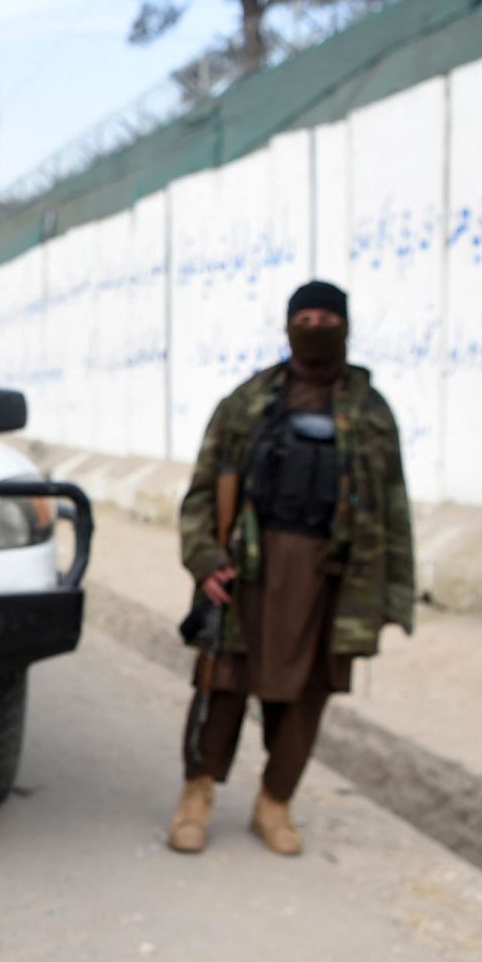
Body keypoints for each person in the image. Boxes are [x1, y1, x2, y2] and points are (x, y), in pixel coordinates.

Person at [169, 280, 415, 855]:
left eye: (327, 319)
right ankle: (196, 795)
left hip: (331, 580)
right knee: (222, 685)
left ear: (346, 327)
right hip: (248, 571)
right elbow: (202, 493)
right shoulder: (247, 403)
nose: (315, 328)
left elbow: (394, 508)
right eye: (304, 317)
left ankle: (274, 802)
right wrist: (205, 559)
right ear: (287, 326)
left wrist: (391, 595)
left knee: (307, 695)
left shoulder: (371, 414)